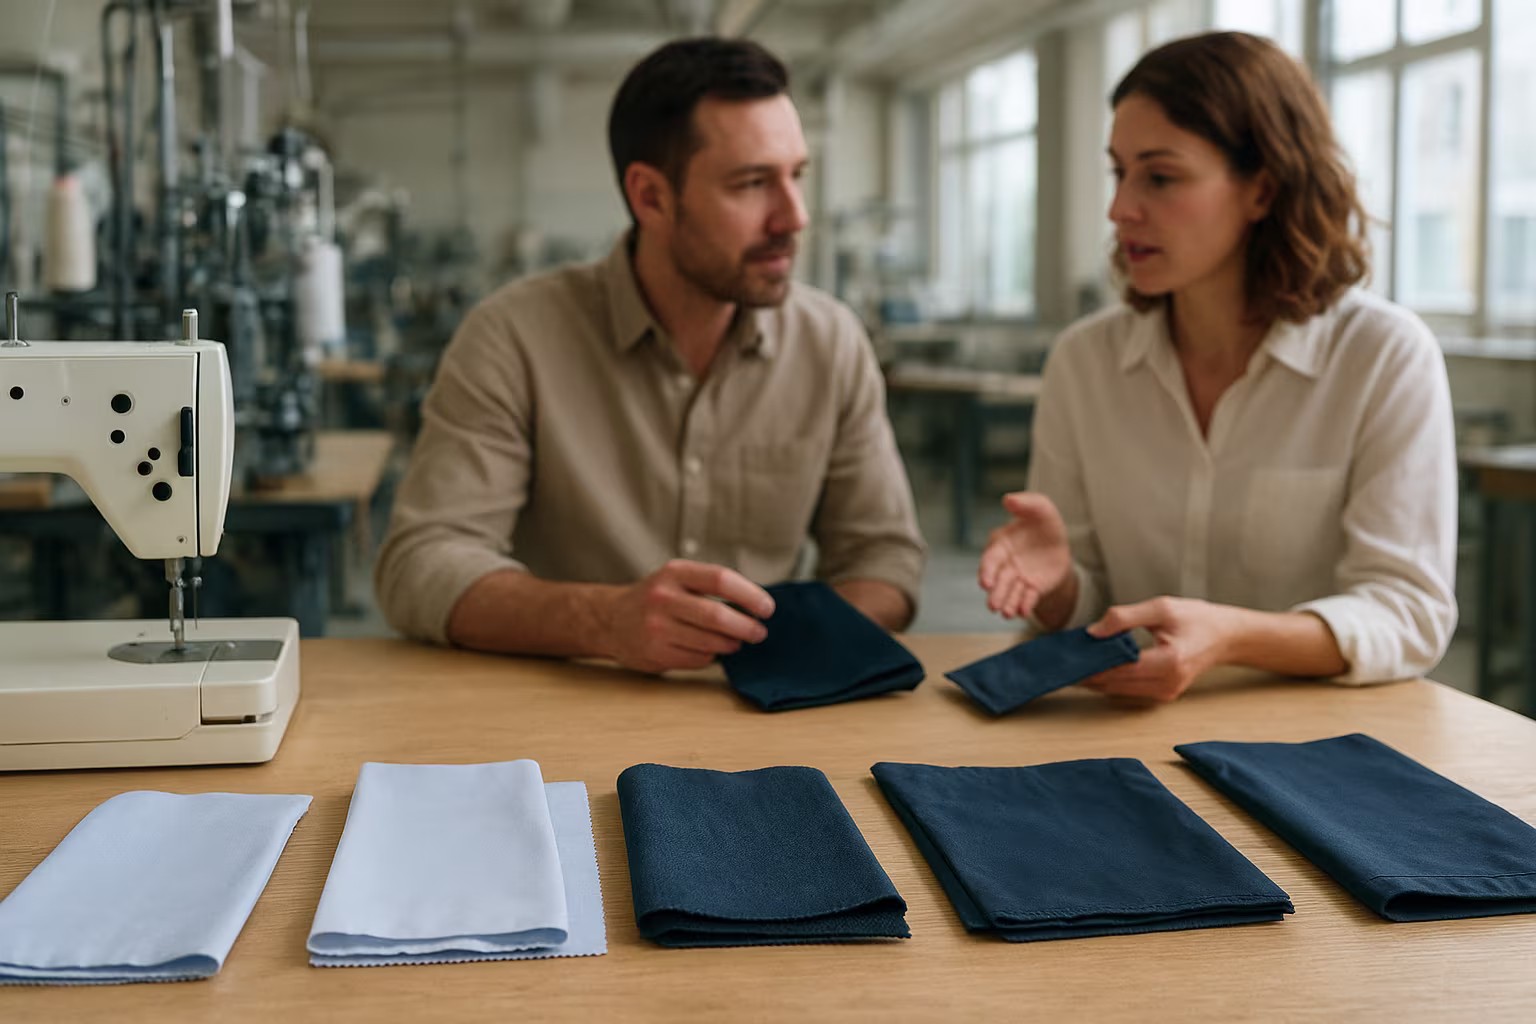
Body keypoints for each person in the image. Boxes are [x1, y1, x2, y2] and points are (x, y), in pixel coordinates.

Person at [375, 38, 926, 673]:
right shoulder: (513, 337)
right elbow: (422, 561)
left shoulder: (831, 343)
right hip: (563, 700)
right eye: (752, 184)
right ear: (651, 198)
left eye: (796, 175)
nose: (794, 217)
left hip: (765, 707)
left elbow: (883, 559)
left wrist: (778, 652)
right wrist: (603, 621)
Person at [978, 31, 1456, 701]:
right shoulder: (1083, 363)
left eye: (1160, 177)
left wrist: (1233, 638)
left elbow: (1407, 613)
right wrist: (1056, 587)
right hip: (1123, 727)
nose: (1120, 209)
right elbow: (1089, 608)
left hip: (1316, 737)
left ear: (1262, 189)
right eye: (1119, 173)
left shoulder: (1383, 357)